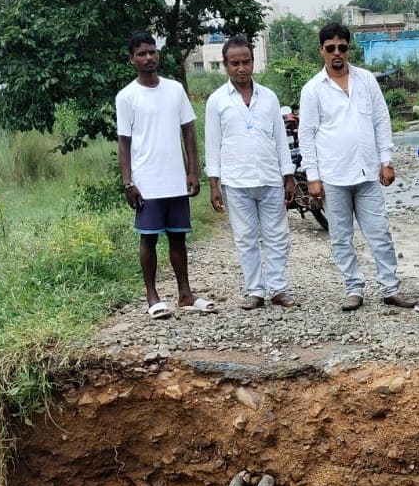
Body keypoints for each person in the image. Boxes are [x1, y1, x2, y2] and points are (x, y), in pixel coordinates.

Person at [299, 22, 417, 312]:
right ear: (322, 50)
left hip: (367, 173)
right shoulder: (313, 89)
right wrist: (313, 177)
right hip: (333, 176)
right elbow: (307, 134)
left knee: (380, 233)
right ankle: (353, 289)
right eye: (330, 48)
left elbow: (381, 120)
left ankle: (391, 288)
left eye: (342, 47)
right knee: (341, 237)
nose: (337, 53)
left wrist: (386, 161)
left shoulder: (366, 81)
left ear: (348, 48)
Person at [116, 31, 210, 318]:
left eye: (152, 52)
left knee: (178, 237)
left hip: (175, 179)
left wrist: (192, 171)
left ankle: (185, 294)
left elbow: (188, 130)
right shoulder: (127, 96)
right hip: (146, 182)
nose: (149, 58)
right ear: (132, 59)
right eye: (142, 54)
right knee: (149, 239)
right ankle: (152, 297)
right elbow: (124, 142)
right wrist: (128, 182)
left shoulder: (174, 89)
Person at [205, 35, 300, 310]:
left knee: (277, 235)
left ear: (253, 61)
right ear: (225, 65)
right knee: (245, 237)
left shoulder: (268, 97)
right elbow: (212, 144)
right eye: (235, 63)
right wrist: (214, 184)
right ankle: (255, 291)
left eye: (246, 62)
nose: (241, 68)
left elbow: (280, 139)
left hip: (270, 177)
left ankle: (278, 288)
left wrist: (289, 175)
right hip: (236, 181)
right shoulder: (217, 101)